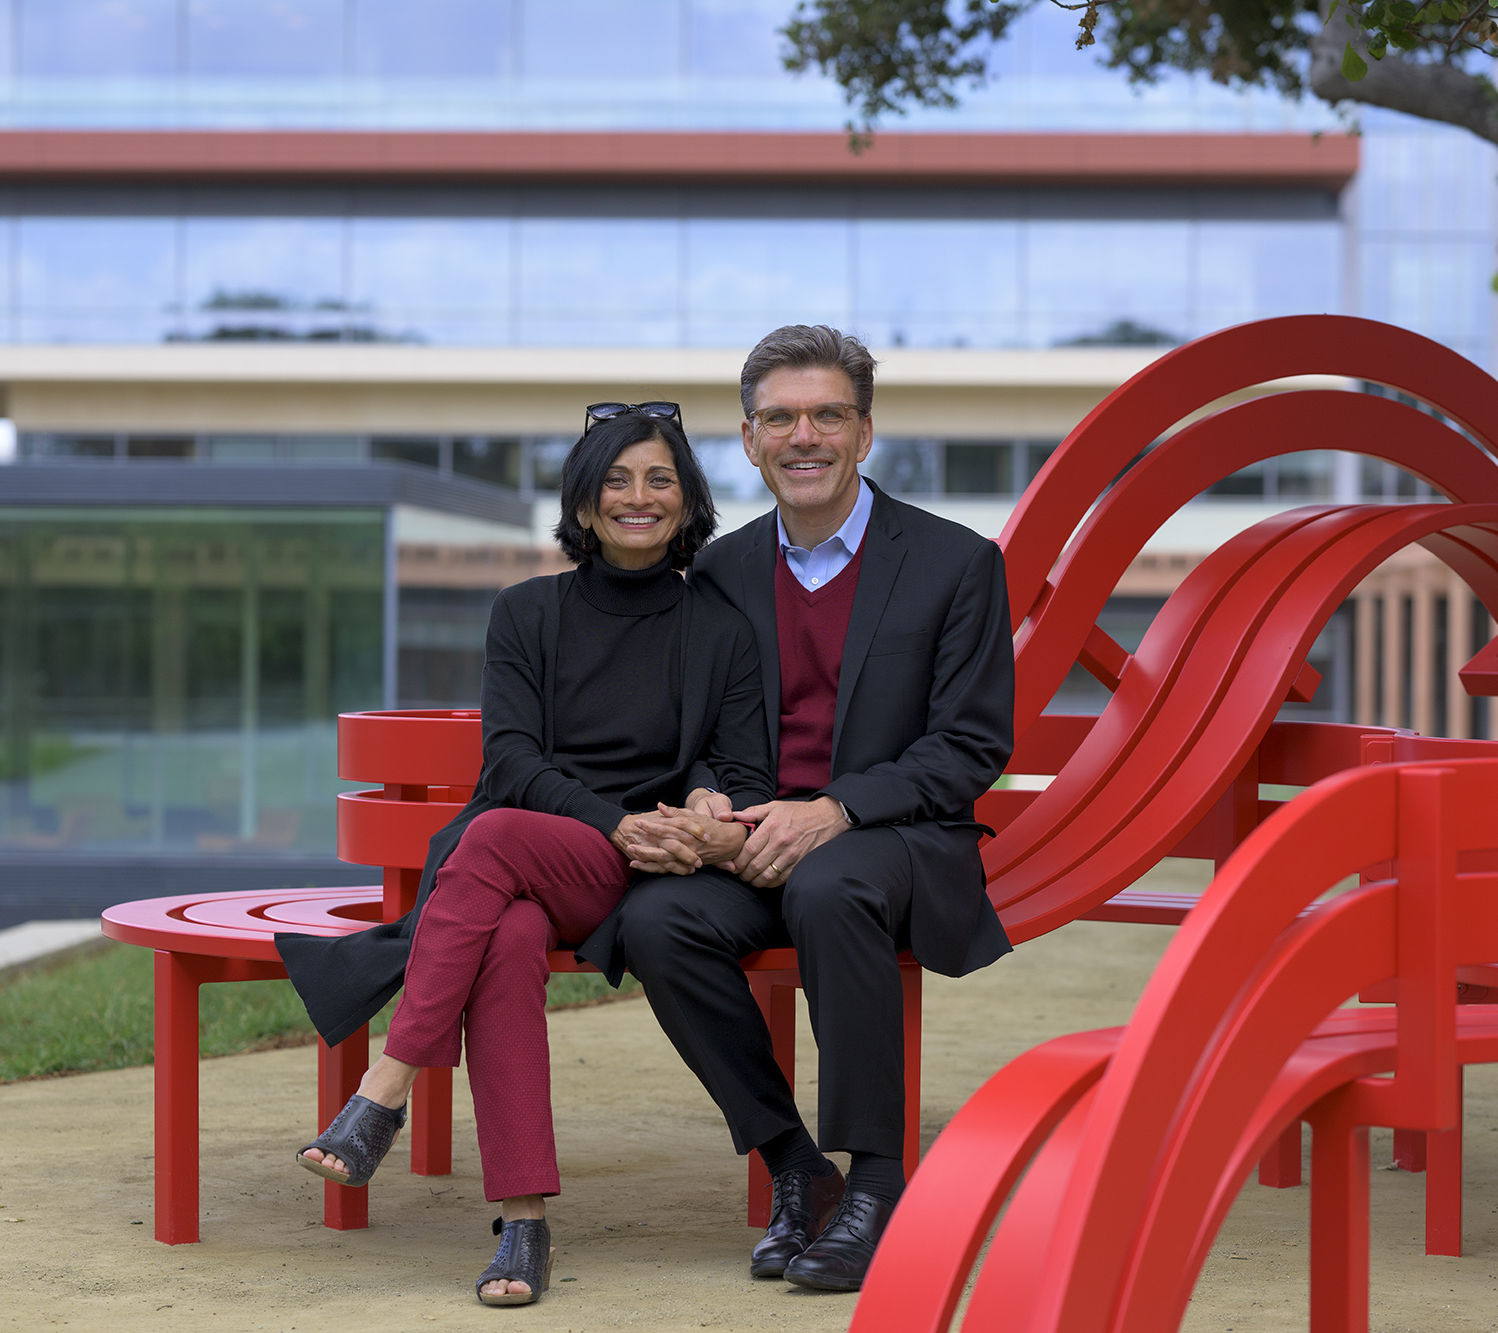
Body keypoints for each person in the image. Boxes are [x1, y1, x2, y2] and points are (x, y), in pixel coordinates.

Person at [273, 404, 772, 1306]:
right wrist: (611, 820)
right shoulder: (526, 612)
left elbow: (738, 765)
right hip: (542, 851)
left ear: (686, 499)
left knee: (491, 835)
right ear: (582, 503)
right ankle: (525, 1224)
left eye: (659, 478)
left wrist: (702, 806)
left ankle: (384, 1087)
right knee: (503, 938)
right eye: (615, 480)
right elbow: (510, 760)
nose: (637, 497)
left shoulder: (722, 628)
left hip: (636, 873)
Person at [578, 325, 1017, 1291]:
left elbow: (971, 746)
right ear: (748, 439)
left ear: (866, 433)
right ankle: (795, 1167)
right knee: (658, 919)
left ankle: (879, 1181)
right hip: (754, 843)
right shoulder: (724, 570)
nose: (803, 434)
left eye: (827, 414)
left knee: (830, 887)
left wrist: (836, 809)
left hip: (895, 842)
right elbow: (696, 727)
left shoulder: (956, 563)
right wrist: (707, 800)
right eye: (780, 417)